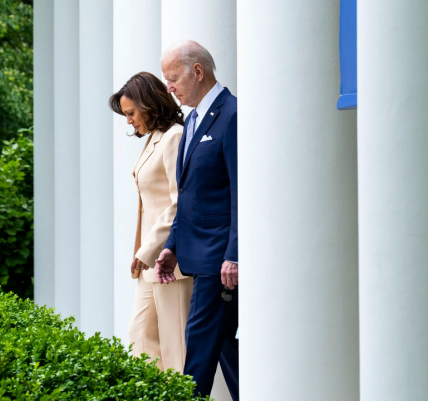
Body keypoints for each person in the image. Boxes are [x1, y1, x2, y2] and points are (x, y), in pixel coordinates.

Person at [155, 40, 239, 400]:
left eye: (173, 79)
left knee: (199, 347)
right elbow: (189, 195)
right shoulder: (190, 121)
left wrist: (234, 254)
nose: (169, 88)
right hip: (196, 254)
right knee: (227, 349)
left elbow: (241, 192)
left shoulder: (232, 114)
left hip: (218, 260)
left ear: (198, 72)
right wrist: (172, 245)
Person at [109, 72, 194, 373]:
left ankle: (182, 393)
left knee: (176, 346)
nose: (129, 121)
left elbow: (178, 202)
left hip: (171, 259)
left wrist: (147, 250)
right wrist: (142, 253)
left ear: (148, 104)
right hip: (150, 262)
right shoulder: (154, 139)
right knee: (140, 335)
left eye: (131, 113)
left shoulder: (174, 137)